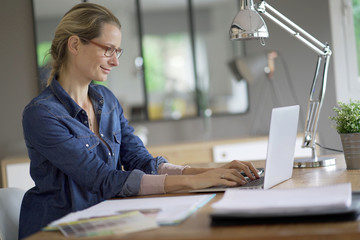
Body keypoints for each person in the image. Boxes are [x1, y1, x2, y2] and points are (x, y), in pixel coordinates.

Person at [19, 3, 259, 239]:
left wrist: (211, 172)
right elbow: (103, 179)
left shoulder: (107, 100)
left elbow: (141, 161)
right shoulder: (42, 114)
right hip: (58, 231)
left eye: (117, 51)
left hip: (106, 220)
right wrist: (195, 181)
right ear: (74, 44)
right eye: (108, 49)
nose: (115, 61)